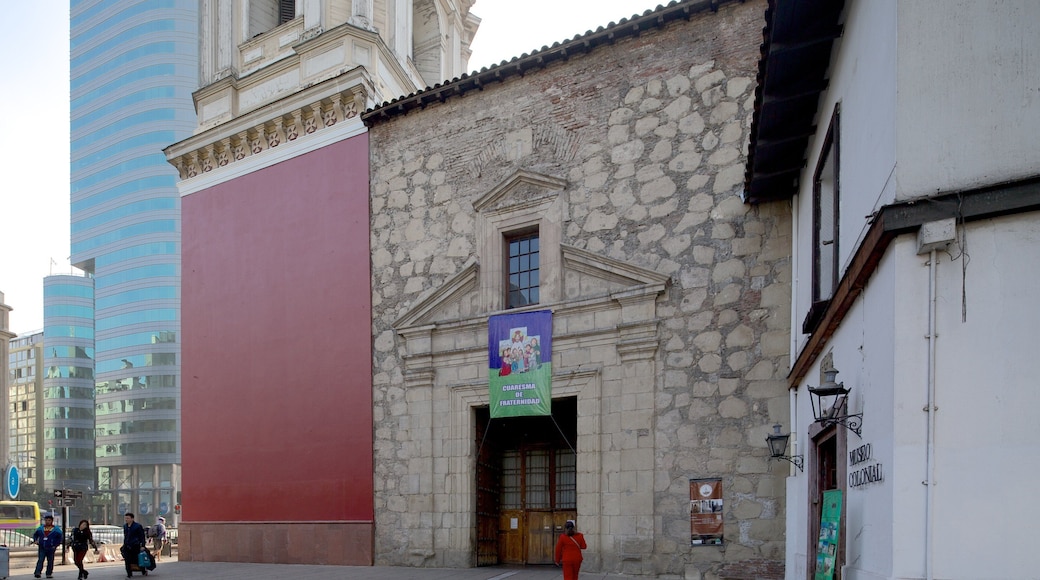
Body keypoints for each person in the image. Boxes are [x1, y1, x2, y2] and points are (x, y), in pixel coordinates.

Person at [31, 513, 63, 579]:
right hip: (42, 546)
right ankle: (37, 572)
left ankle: (49, 573)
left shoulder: (56, 529)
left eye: (49, 520)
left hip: (51, 547)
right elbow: (35, 534)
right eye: (46, 520)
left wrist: (55, 545)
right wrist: (35, 540)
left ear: (52, 521)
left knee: (50, 561)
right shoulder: (41, 528)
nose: (47, 522)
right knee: (40, 560)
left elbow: (60, 538)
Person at [121, 512, 147, 578]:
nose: (126, 520)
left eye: (128, 518)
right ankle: (129, 573)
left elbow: (142, 536)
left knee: (137, 559)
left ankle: (143, 570)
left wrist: (143, 545)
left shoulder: (137, 526)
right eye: (125, 518)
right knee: (127, 560)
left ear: (132, 519)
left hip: (135, 545)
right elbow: (126, 536)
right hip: (127, 545)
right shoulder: (125, 526)